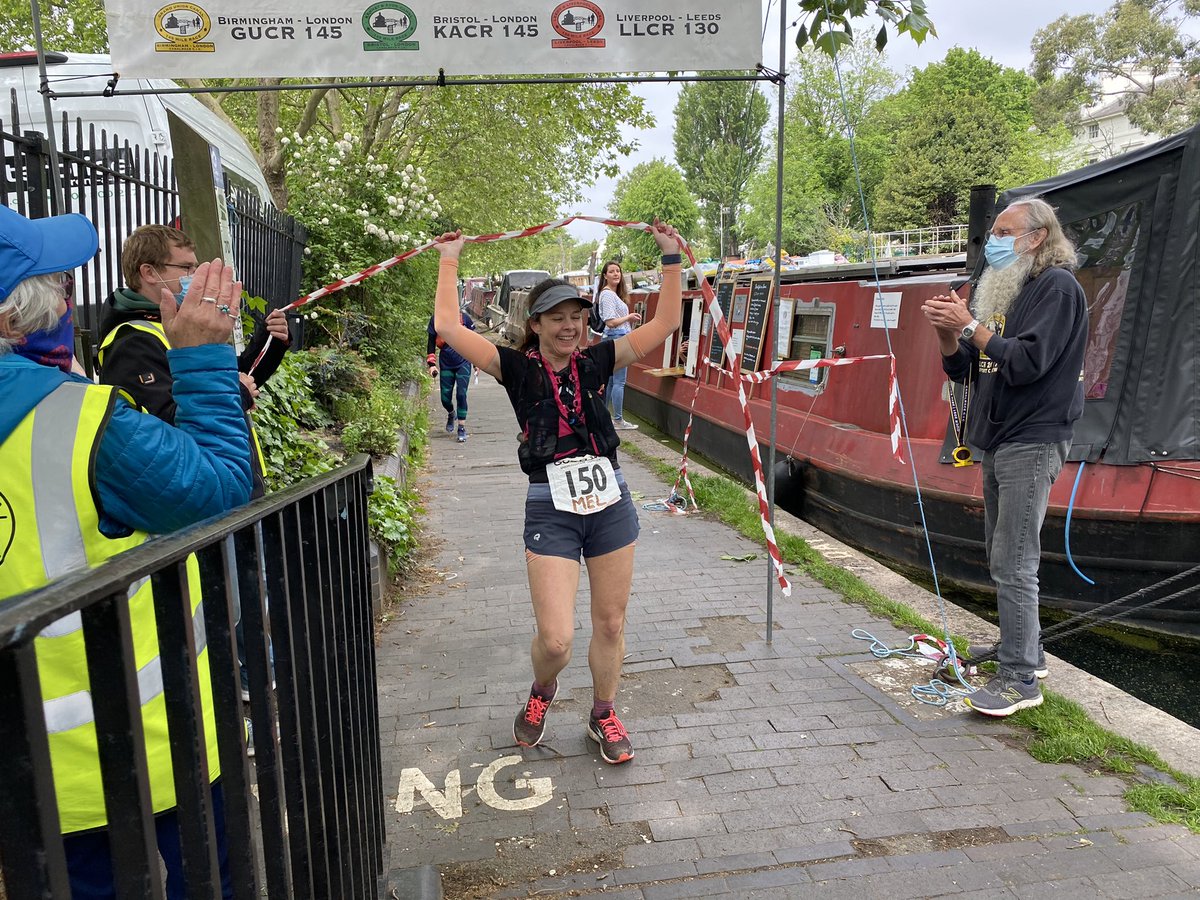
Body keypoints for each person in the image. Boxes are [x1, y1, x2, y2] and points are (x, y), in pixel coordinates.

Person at [0, 205, 251, 897]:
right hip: (149, 746)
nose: (66, 299)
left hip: (26, 773)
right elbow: (220, 493)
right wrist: (205, 359)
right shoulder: (79, 421)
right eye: (54, 282)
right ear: (8, 320)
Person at [432, 220, 683, 764]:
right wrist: (450, 257)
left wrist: (670, 258)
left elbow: (667, 320)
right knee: (556, 640)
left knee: (612, 622)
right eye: (558, 319)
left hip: (609, 499)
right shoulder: (516, 369)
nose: (570, 327)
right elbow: (448, 326)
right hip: (551, 502)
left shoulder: (598, 360)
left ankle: (603, 712)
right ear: (537, 324)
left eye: (577, 318)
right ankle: (542, 692)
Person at [921, 197, 1089, 717]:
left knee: (1014, 559)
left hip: (1033, 439)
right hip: (999, 437)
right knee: (1004, 552)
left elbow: (1029, 363)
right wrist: (949, 331)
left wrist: (970, 325)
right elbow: (964, 369)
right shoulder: (1008, 287)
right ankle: (1027, 652)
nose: (990, 239)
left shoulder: (1057, 288)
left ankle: (1019, 680)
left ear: (1035, 237)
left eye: (1002, 230)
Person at [95, 223, 290, 497]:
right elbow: (163, 426)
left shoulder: (177, 323)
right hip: (202, 495)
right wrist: (237, 395)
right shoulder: (131, 342)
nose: (194, 276)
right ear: (149, 272)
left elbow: (239, 375)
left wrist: (271, 341)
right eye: (186, 268)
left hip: (234, 480)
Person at [595, 259, 641, 430]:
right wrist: (629, 318)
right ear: (605, 275)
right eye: (612, 271)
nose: (616, 274)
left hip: (617, 336)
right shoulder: (607, 294)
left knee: (610, 381)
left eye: (618, 271)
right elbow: (611, 321)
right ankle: (618, 420)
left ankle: (604, 417)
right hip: (616, 337)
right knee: (618, 382)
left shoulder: (612, 294)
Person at [426, 310, 475, 442]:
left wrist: (477, 362)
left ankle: (461, 427)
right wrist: (431, 364)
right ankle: (451, 413)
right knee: (445, 398)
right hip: (446, 362)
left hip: (463, 360)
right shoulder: (436, 320)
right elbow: (431, 341)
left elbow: (474, 340)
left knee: (461, 394)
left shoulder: (465, 318)